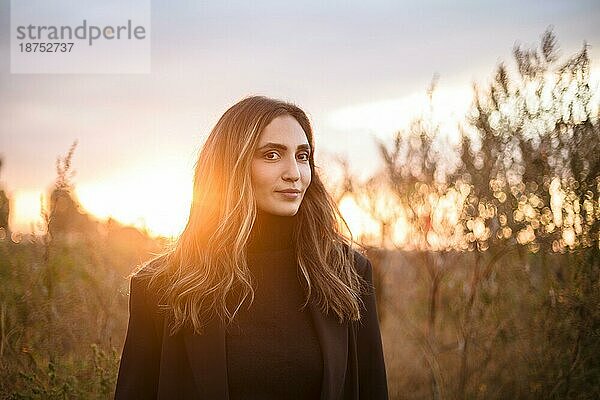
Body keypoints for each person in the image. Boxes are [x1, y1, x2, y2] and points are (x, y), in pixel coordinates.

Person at [114, 96, 388, 399]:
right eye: (271, 155)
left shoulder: (348, 274)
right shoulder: (160, 287)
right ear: (231, 166)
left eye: (302, 156)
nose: (294, 173)